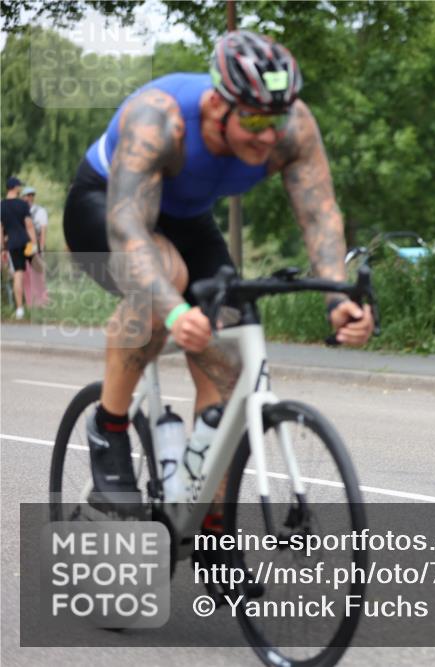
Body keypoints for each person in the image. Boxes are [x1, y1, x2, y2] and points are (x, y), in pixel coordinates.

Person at [62, 31, 375, 518]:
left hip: (186, 220)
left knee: (228, 346)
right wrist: (175, 310)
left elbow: (319, 216)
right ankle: (110, 426)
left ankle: (207, 524)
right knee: (163, 281)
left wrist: (338, 300)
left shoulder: (294, 128)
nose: (268, 134)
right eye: (252, 118)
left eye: (276, 118)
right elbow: (128, 230)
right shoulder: (159, 118)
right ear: (214, 105)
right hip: (106, 207)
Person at [1, 176, 37, 319]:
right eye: (19, 186)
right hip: (26, 242)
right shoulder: (23, 205)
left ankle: (20, 310)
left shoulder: (1, 206)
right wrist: (35, 245)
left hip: (13, 244)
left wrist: (2, 249)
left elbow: (0, 229)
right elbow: (29, 226)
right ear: (15, 188)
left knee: (18, 273)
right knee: (39, 268)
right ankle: (39, 303)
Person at [21, 186, 49, 307]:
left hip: (33, 245)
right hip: (22, 245)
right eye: (27, 195)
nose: (29, 198)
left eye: (31, 195)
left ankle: (42, 300)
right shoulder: (19, 210)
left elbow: (43, 231)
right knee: (26, 274)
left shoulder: (40, 211)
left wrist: (41, 249)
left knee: (38, 274)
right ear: (22, 197)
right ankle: (30, 301)